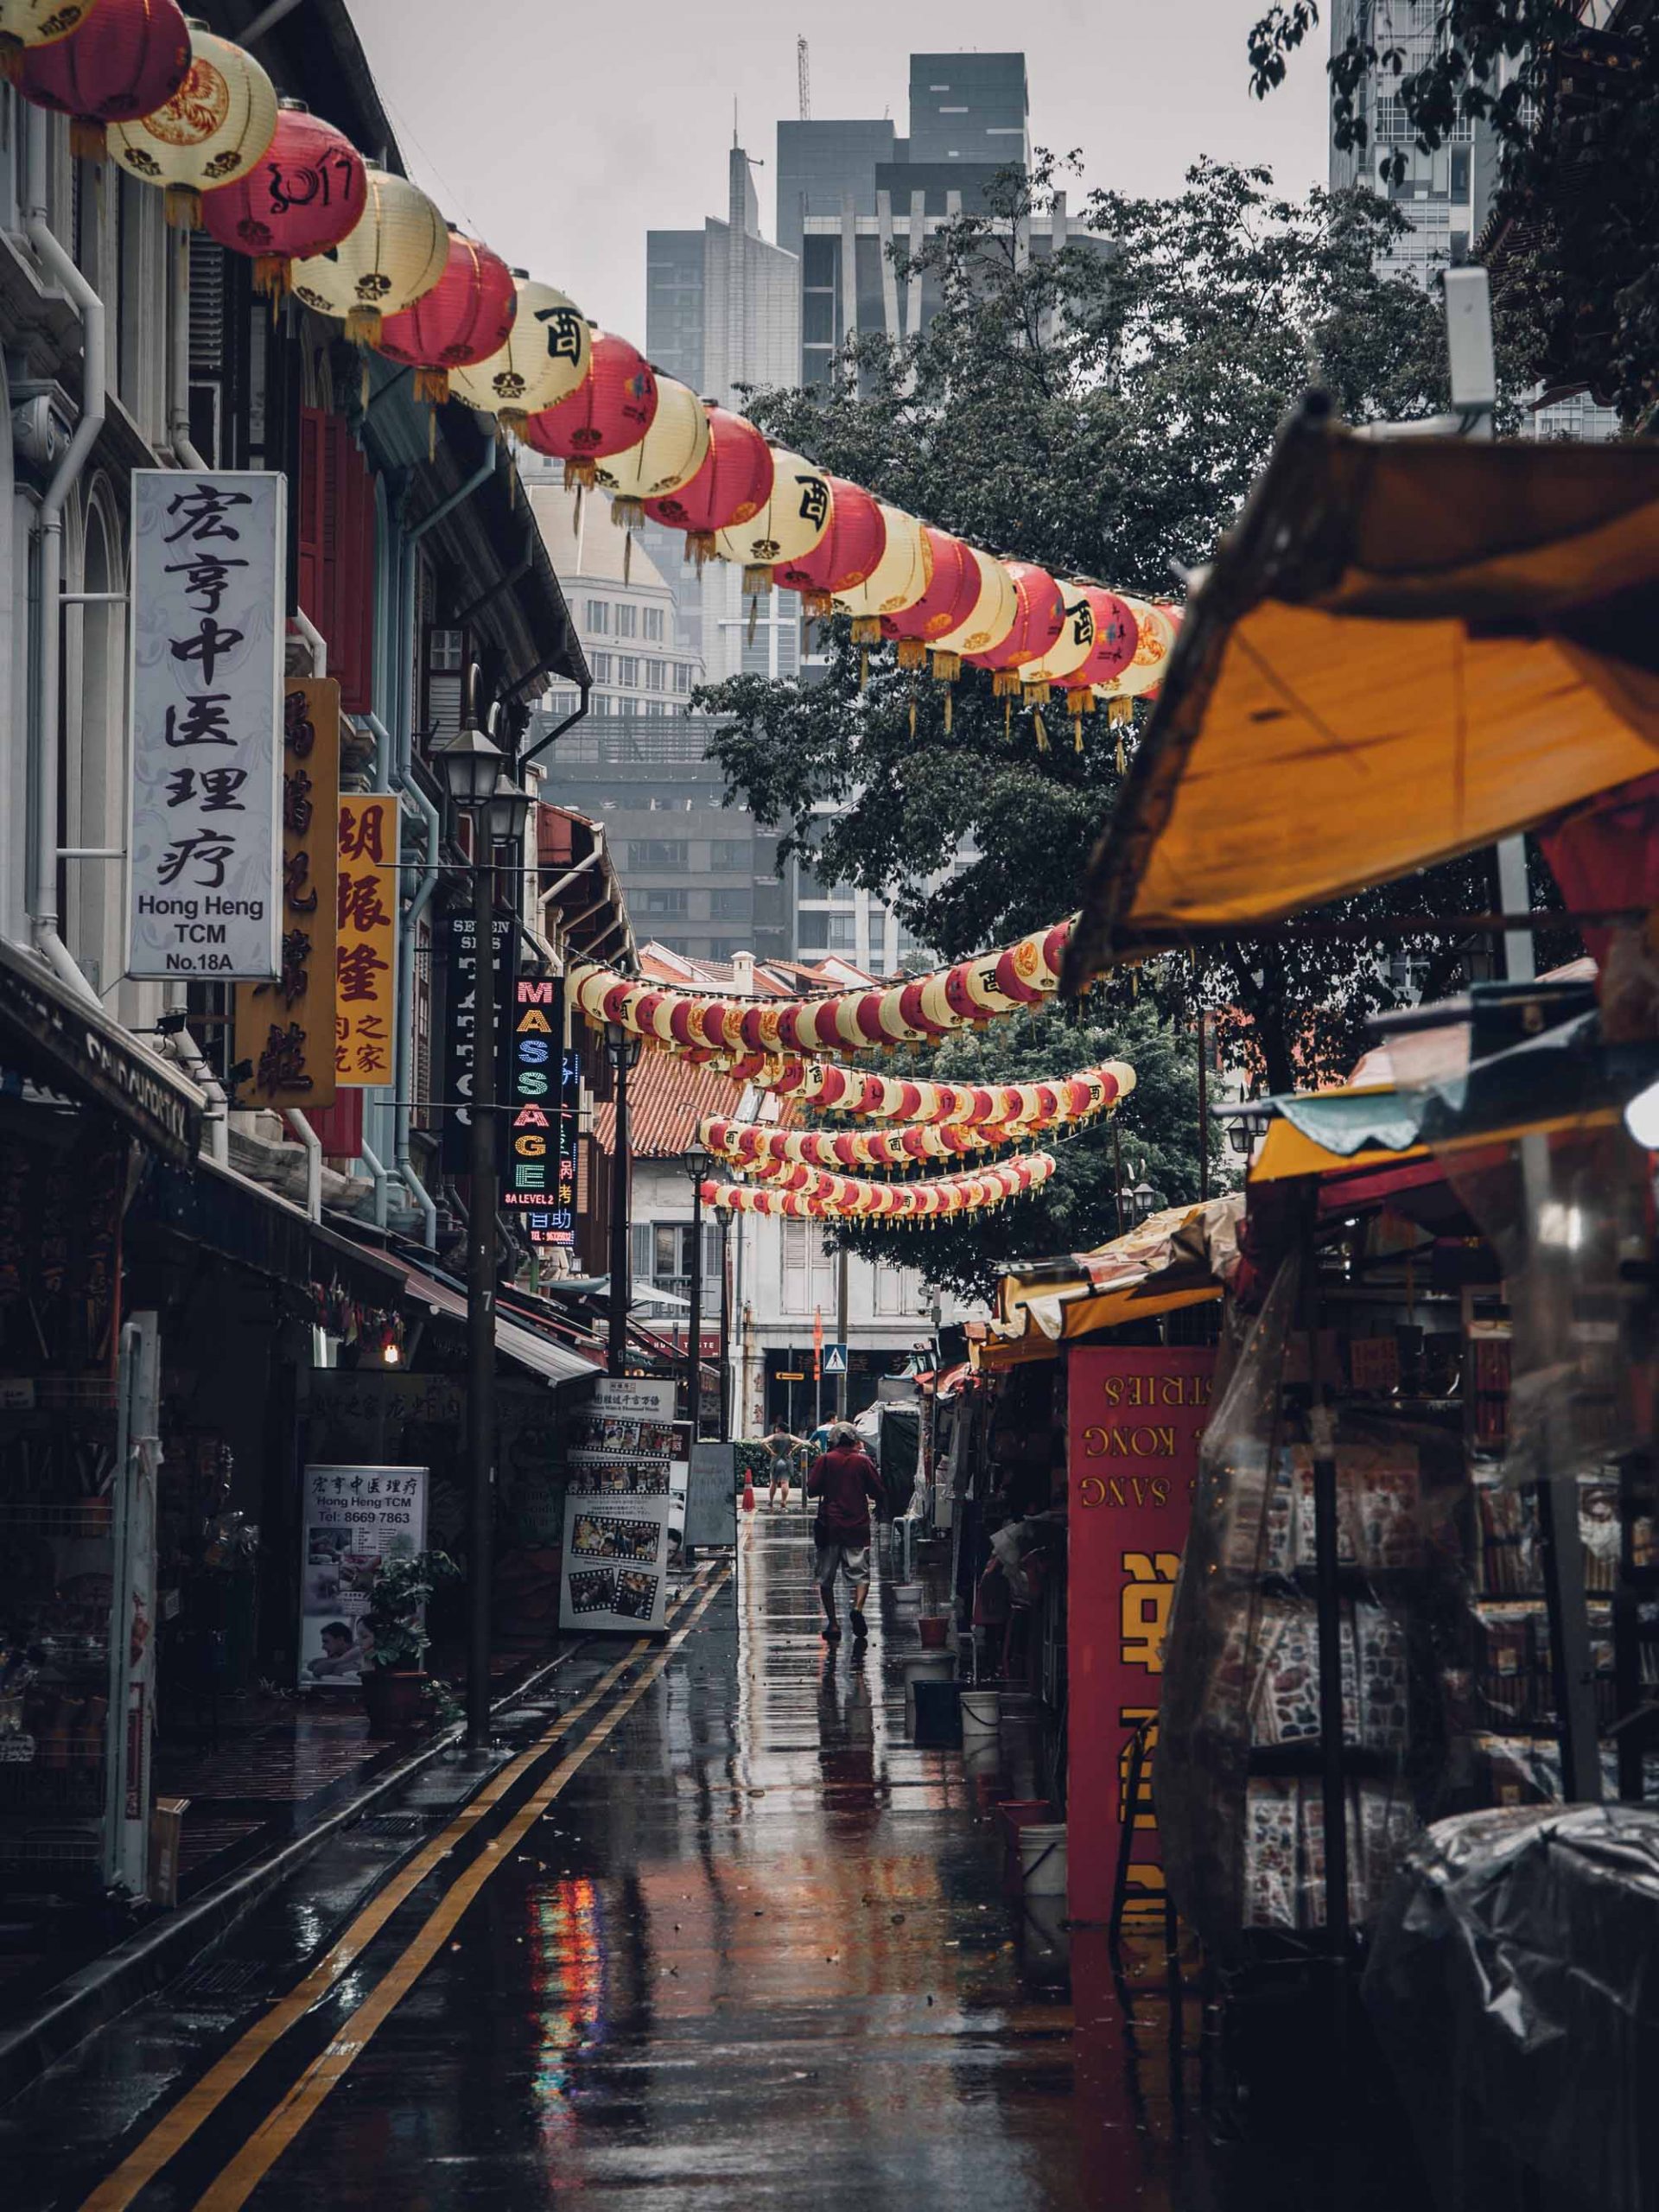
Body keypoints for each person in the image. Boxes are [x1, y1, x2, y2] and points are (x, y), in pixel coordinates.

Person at [807, 1421, 885, 1642]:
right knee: (861, 1575)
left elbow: (811, 1489)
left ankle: (833, 1623)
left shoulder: (825, 1460)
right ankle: (858, 1609)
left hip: (830, 1526)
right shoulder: (863, 1462)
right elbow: (878, 1491)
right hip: (857, 1527)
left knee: (825, 1578)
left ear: (832, 1441)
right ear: (854, 1440)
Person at [760, 1426, 804, 1510]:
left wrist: (771, 1452)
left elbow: (763, 1442)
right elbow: (801, 1442)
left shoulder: (774, 1436)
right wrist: (792, 1450)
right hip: (786, 1461)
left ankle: (771, 1501)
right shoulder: (790, 1436)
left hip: (776, 1461)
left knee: (773, 1482)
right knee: (785, 1482)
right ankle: (783, 1501)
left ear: (779, 1428)